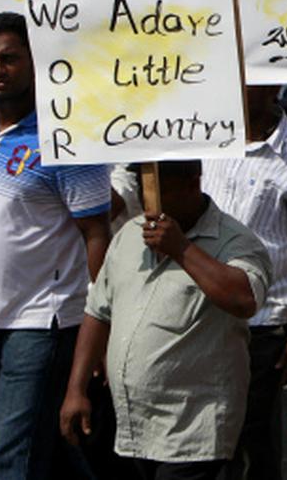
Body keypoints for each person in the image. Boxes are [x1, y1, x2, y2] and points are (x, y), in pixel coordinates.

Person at [0, 11, 111, 479]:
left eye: (10, 59)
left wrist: (100, 324)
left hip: (43, 320)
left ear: (34, 60)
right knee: (53, 448)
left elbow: (96, 233)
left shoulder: (65, 134)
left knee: (11, 457)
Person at [59, 160, 273, 480]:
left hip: (193, 433)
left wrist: (182, 249)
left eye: (158, 191)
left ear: (191, 182)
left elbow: (244, 300)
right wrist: (76, 389)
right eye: (143, 192)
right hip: (133, 429)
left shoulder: (234, 241)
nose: (149, 205)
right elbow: (98, 311)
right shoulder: (129, 236)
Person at [204, 86, 287, 480]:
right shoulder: (206, 139)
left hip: (265, 324)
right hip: (204, 317)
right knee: (209, 441)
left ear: (273, 85)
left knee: (250, 440)